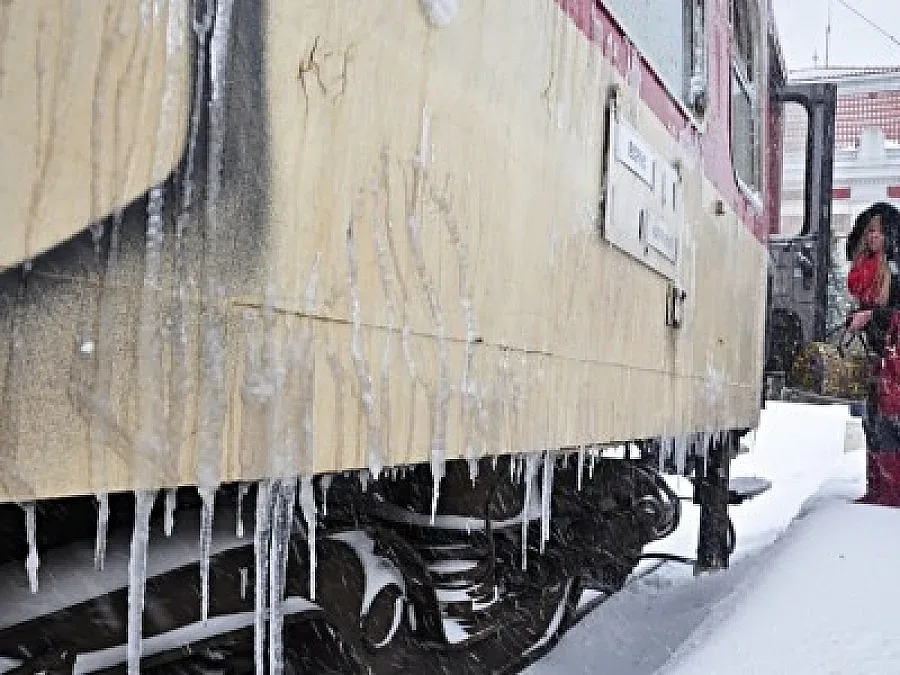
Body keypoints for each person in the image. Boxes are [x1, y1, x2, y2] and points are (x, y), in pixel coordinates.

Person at [846, 203, 900, 506]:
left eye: (878, 231)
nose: (872, 236)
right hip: (878, 357)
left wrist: (872, 317)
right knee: (872, 422)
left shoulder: (895, 270)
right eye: (869, 231)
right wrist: (858, 318)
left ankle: (892, 494)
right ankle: (877, 488)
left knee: (889, 423)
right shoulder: (868, 268)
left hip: (895, 360)